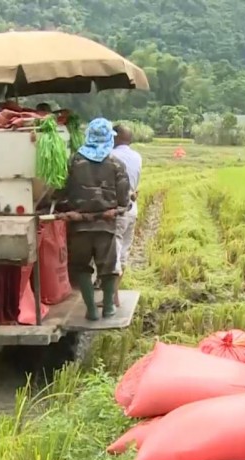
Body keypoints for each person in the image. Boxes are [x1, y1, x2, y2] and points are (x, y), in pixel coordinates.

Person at [57, 117, 130, 321]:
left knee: (81, 267)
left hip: (78, 225)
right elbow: (123, 199)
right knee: (107, 267)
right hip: (105, 226)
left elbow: (62, 191)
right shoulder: (116, 163)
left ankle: (90, 309)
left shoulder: (74, 160)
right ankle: (108, 307)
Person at [107, 124, 142, 308]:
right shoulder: (137, 156)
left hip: (118, 210)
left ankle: (112, 297)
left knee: (113, 252)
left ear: (116, 137)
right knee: (123, 252)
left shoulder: (112, 157)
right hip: (132, 209)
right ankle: (115, 293)